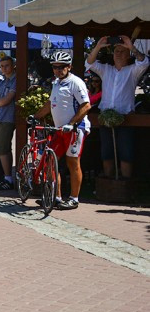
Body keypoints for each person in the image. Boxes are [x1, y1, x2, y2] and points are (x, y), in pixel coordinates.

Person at [33, 51, 91, 210]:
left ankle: (74, 198)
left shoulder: (76, 82)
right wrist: (36, 116)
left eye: (62, 67)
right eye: (55, 67)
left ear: (69, 67)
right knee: (51, 160)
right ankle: (56, 197)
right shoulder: (56, 83)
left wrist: (72, 123)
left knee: (73, 163)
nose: (58, 70)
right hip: (59, 130)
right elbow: (50, 103)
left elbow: (86, 105)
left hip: (75, 129)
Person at [86, 35, 148, 179]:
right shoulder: (106, 70)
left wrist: (131, 47)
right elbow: (89, 63)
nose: (119, 54)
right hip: (105, 117)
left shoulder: (132, 71)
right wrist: (98, 46)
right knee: (106, 153)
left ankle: (124, 186)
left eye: (122, 52)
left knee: (126, 153)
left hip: (126, 118)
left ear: (128, 55)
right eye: (116, 51)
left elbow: (144, 62)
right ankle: (109, 184)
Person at [0, 56, 18, 190]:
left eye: (7, 65)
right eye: (2, 66)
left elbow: (6, 100)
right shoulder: (2, 82)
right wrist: (0, 101)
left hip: (8, 117)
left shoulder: (15, 81)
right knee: (4, 149)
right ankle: (8, 177)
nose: (4, 68)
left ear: (13, 66)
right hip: (0, 117)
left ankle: (8, 178)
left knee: (1, 148)